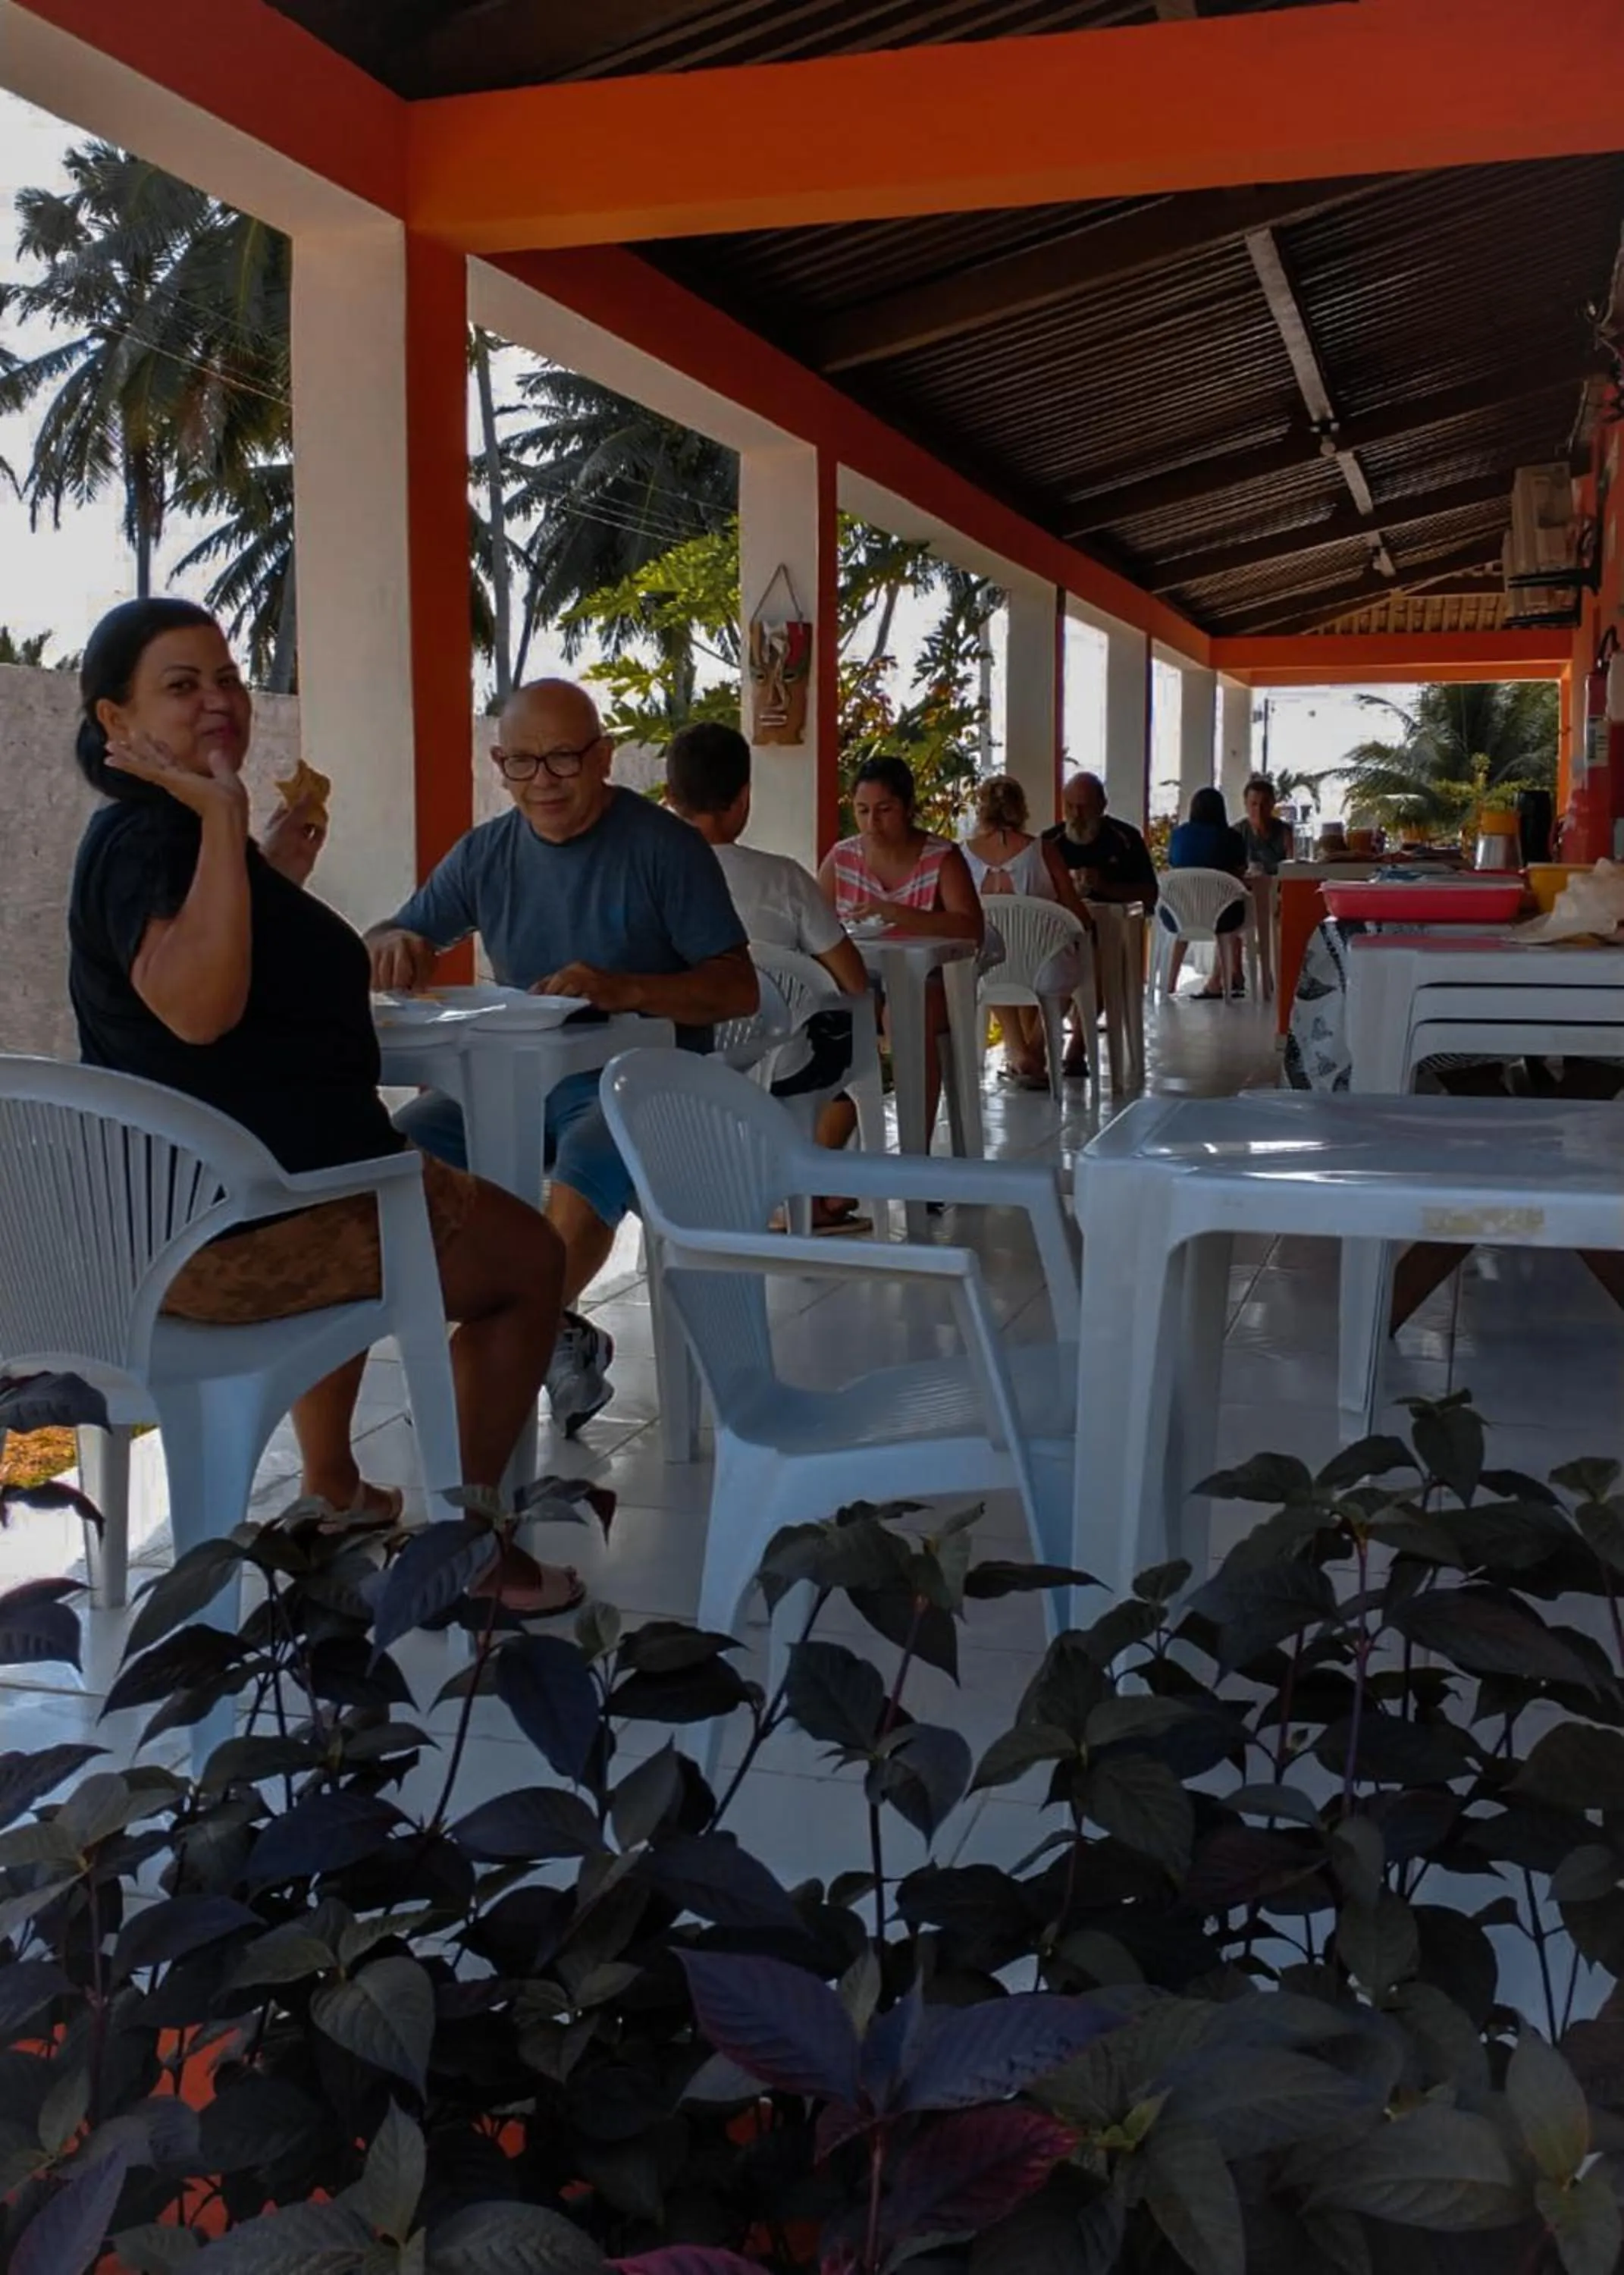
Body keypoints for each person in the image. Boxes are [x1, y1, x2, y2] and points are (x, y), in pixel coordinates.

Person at [67, 600, 577, 1602]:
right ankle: (466, 1554)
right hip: (245, 1231)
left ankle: (336, 1485)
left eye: (223, 677)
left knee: (399, 1182)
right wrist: (219, 820)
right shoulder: (149, 836)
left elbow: (219, 981)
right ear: (112, 720)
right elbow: (202, 1012)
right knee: (529, 1259)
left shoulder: (168, 838)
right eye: (181, 686)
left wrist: (258, 865)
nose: (218, 700)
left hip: (238, 1207)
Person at [367, 679, 757, 1433]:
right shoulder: (488, 852)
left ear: (604, 757)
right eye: (520, 763)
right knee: (389, 1162)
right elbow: (402, 930)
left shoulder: (663, 849)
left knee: (583, 1168)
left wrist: (624, 988)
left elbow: (739, 989)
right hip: (510, 1080)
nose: (541, 781)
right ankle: (545, 1331)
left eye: (562, 760)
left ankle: (491, 1357)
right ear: (498, 764)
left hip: (643, 1083)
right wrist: (393, 943)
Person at [664, 720, 869, 1228]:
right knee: (848, 1058)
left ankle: (795, 1191)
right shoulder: (783, 879)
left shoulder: (647, 877)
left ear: (669, 797)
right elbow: (854, 980)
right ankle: (802, 1194)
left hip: (671, 1061)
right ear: (743, 799)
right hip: (776, 1061)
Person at [817, 757, 984, 1142]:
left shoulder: (941, 858)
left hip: (931, 980)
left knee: (907, 1016)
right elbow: (814, 925)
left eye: (885, 810)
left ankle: (916, 1150)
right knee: (837, 1016)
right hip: (862, 978)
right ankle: (832, 1151)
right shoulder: (842, 858)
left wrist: (896, 914)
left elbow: (970, 928)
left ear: (909, 808)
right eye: (863, 811)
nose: (872, 823)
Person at [961, 774, 1093, 1087]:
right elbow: (1078, 915)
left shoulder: (962, 855)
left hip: (987, 969)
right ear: (1021, 808)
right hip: (1042, 966)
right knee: (1072, 964)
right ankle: (1036, 1047)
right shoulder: (1042, 851)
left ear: (982, 810)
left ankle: (1018, 1049)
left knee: (990, 962)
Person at [1042, 773, 1158, 1076]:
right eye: (1070, 807)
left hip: (1114, 939)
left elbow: (1150, 895)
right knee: (1053, 965)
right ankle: (1037, 1047)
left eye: (1084, 806)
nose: (1076, 815)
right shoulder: (1049, 843)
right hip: (1061, 940)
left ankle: (1076, 1048)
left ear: (1102, 806)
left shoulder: (1125, 840)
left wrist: (1105, 887)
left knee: (1104, 965)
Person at [1166, 785, 1249, 999]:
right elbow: (1241, 871)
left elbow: (1174, 865)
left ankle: (1169, 983)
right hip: (1222, 917)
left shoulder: (1178, 836)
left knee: (1183, 933)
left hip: (1178, 915)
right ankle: (1216, 982)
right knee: (1230, 916)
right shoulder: (1232, 838)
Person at [1240, 775, 1293, 876]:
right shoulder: (1236, 833)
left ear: (1273, 804)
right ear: (1246, 805)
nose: (1259, 810)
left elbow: (1293, 870)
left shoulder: (1285, 832)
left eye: (1264, 804)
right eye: (1254, 804)